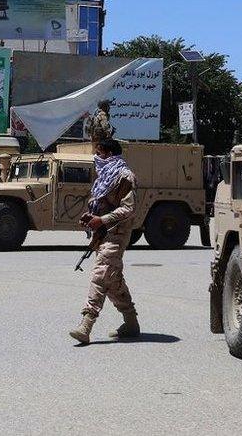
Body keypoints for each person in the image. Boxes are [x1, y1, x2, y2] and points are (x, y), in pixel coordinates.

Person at [70, 139, 140, 344]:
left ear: (110, 154)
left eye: (99, 153)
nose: (96, 157)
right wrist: (91, 216)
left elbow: (129, 209)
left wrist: (102, 219)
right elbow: (100, 205)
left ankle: (86, 324)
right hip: (102, 235)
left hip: (117, 235)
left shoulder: (125, 176)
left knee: (101, 275)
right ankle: (131, 322)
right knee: (112, 279)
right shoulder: (104, 177)